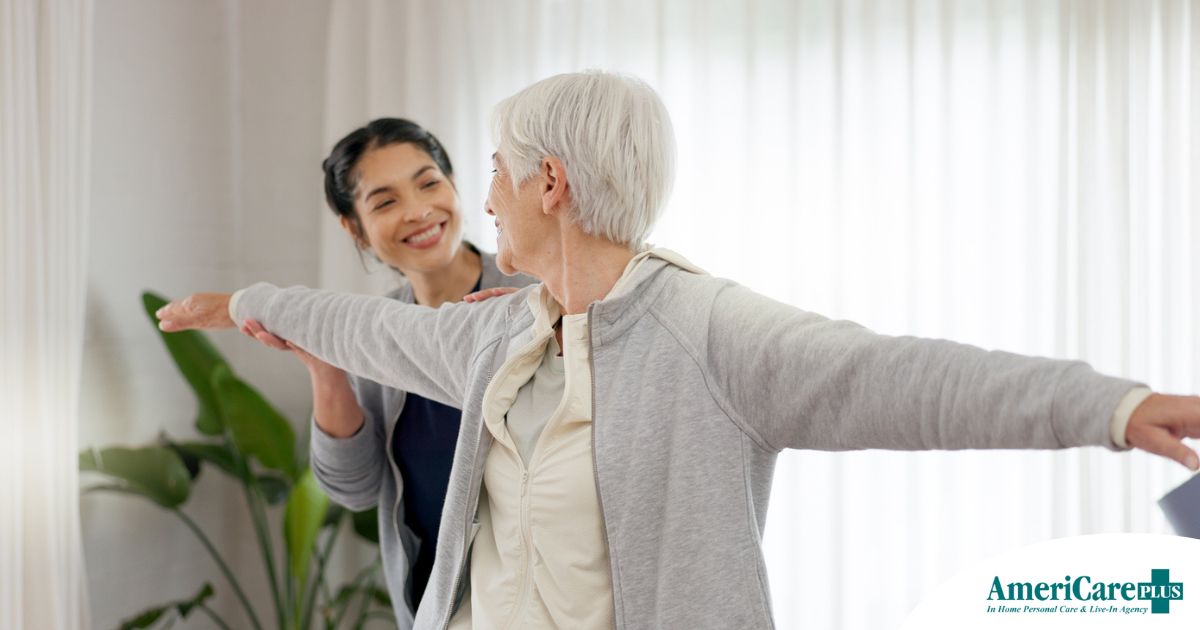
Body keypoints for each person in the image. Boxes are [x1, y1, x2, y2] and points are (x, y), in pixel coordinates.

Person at [157, 71, 1200, 630]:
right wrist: (251, 303)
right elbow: (365, 327)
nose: (484, 201)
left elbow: (904, 378)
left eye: (494, 173)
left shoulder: (708, 331)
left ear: (551, 184)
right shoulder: (498, 329)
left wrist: (1110, 408)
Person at [249, 118, 533, 627]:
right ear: (354, 228)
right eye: (384, 202)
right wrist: (327, 369)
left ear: (453, 185)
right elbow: (355, 488)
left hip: (534, 605)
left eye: (429, 183)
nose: (418, 211)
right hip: (433, 609)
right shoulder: (375, 330)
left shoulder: (533, 295)